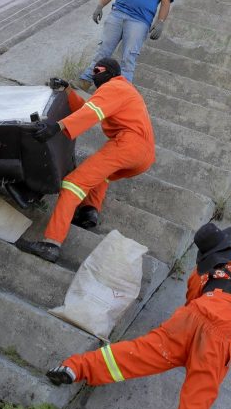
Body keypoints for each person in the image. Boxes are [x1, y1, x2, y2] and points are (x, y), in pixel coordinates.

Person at [45, 221, 231, 409]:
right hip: (221, 327)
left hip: (191, 316)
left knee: (139, 353)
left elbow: (192, 305)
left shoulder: (196, 276)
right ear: (226, 245)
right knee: (198, 396)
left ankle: (76, 367)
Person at [15, 58, 154, 263]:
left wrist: (56, 127)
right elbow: (89, 108)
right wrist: (68, 91)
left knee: (73, 184)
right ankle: (89, 211)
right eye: (94, 71)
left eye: (98, 70)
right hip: (144, 155)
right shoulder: (122, 91)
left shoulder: (114, 86)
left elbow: (91, 113)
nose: (94, 74)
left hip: (128, 144)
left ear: (112, 73)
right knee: (100, 175)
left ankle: (51, 243)